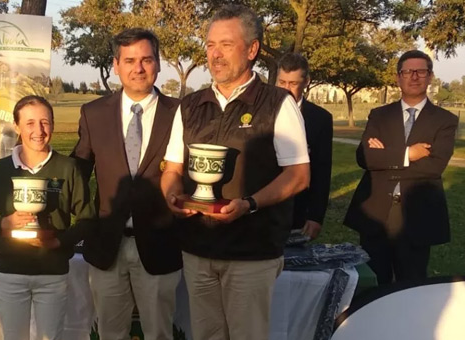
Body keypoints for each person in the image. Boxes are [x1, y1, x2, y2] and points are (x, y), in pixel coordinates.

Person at [160, 5, 310, 339]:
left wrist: (250, 204)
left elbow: (298, 175)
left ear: (252, 49)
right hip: (198, 250)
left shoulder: (278, 103)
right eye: (211, 45)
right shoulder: (190, 105)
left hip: (251, 253)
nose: (215, 54)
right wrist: (172, 196)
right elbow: (172, 168)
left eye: (226, 44)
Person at [71, 28, 182, 340]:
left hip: (161, 244)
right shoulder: (93, 113)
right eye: (130, 60)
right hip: (107, 245)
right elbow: (78, 169)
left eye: (147, 60)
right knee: (110, 333)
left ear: (158, 64)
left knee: (159, 333)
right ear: (116, 65)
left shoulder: (180, 113)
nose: (139, 68)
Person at [0, 95, 95, 340]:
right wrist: (5, 223)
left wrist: (59, 242)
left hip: (52, 272)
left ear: (53, 125)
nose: (38, 131)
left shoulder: (68, 168)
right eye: (30, 123)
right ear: (17, 127)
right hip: (11, 270)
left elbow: (88, 219)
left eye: (45, 122)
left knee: (50, 337)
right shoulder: (0, 169)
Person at [344, 50, 458, 284]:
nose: (414, 76)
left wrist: (385, 158)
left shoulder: (445, 120)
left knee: (411, 286)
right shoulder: (379, 115)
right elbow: (364, 158)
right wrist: (408, 154)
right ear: (398, 77)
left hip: (416, 216)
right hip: (375, 214)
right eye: (407, 71)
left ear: (430, 76)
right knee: (373, 285)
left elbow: (434, 167)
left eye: (421, 71)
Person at [276, 53, 333, 239]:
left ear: (306, 81)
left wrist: (316, 216)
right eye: (282, 82)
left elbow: (322, 171)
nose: (286, 89)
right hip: (263, 213)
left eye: (293, 84)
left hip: (298, 213)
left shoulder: (321, 119)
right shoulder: (262, 112)